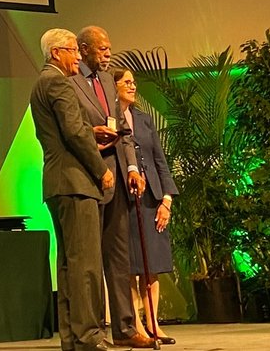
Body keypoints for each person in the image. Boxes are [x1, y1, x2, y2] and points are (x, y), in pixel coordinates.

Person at [31, 28, 117, 351]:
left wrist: (86, 130)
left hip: (57, 183)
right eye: (73, 50)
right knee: (87, 264)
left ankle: (71, 336)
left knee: (68, 263)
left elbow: (68, 130)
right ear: (56, 53)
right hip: (76, 182)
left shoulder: (41, 84)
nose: (78, 57)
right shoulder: (58, 82)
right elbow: (73, 133)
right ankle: (89, 335)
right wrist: (100, 169)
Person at [70, 26, 152, 349]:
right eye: (102, 49)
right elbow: (73, 129)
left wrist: (132, 167)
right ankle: (94, 330)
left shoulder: (107, 81)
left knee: (119, 256)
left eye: (109, 48)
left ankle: (126, 327)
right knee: (91, 258)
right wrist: (94, 132)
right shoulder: (71, 80)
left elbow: (125, 130)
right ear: (85, 49)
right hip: (90, 176)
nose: (107, 54)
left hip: (118, 174)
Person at [112, 67, 178, 345]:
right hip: (124, 198)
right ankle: (135, 323)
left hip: (151, 196)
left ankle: (154, 323)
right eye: (126, 81)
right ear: (112, 86)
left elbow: (159, 159)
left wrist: (167, 199)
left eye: (133, 82)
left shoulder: (143, 118)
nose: (132, 85)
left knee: (153, 263)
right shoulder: (110, 117)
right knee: (130, 264)